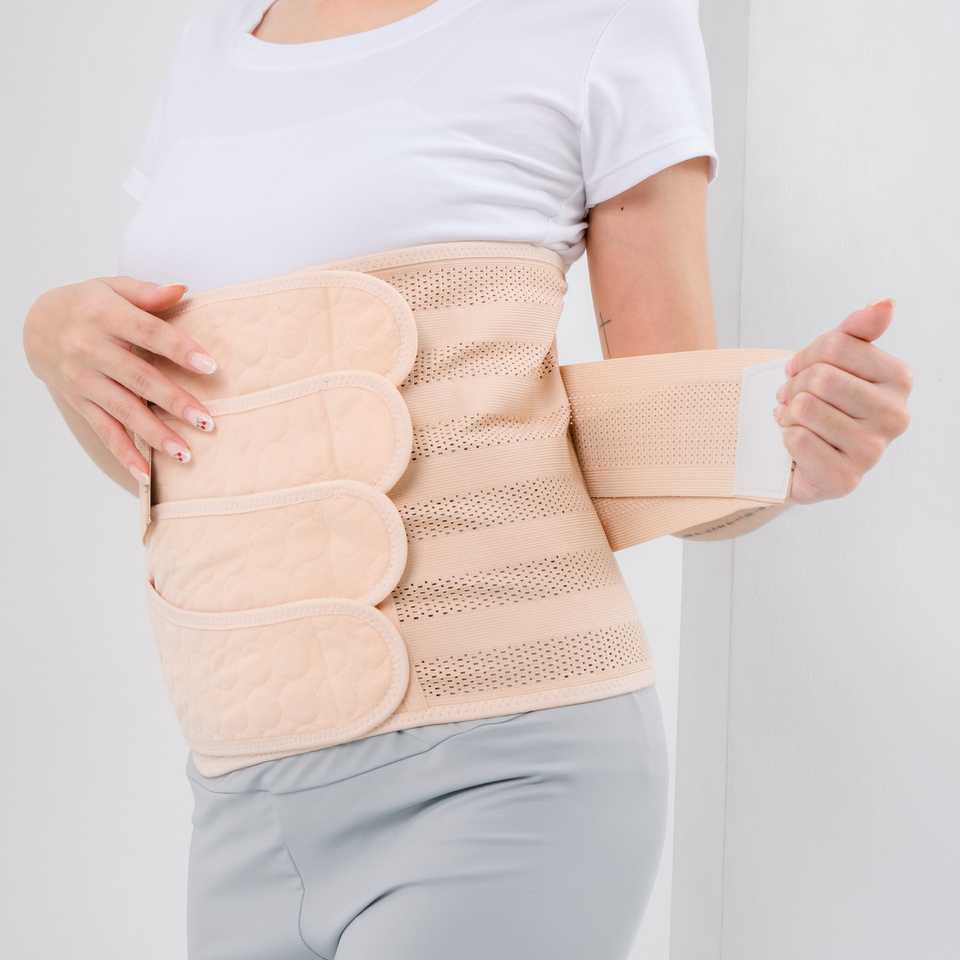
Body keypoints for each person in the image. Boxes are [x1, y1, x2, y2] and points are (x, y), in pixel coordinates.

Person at [20, 2, 912, 957]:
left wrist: (789, 432)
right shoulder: (218, 33)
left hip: (499, 772)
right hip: (241, 805)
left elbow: (669, 427)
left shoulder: (601, 20)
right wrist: (54, 347)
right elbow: (179, 463)